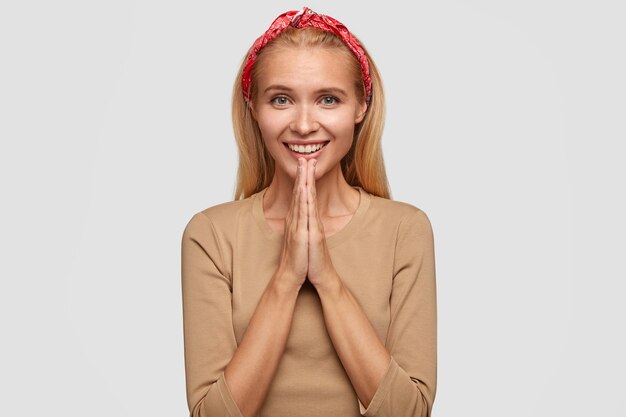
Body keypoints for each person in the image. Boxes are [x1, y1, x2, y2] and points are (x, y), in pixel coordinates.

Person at [181, 6, 437, 417]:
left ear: (360, 108)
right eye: (281, 99)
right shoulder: (211, 234)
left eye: (328, 99)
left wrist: (326, 278)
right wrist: (286, 277)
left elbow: (408, 412)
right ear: (253, 108)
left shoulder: (405, 230)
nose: (303, 124)